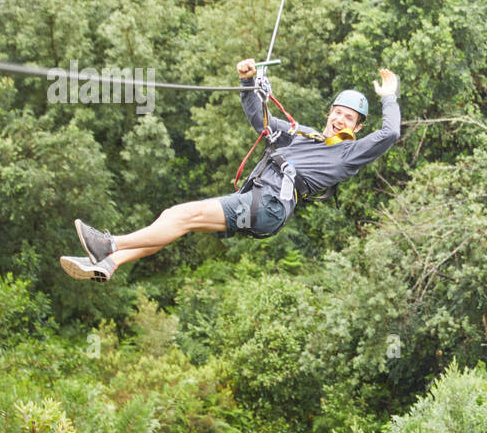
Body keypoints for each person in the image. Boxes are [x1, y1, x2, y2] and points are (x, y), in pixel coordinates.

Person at [60, 60, 400, 281]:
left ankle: (110, 244)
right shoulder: (300, 134)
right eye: (337, 112)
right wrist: (247, 82)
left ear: (356, 126)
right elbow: (259, 119)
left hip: (269, 205)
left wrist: (389, 97)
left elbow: (390, 134)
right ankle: (109, 263)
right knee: (177, 223)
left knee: (180, 215)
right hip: (257, 200)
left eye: (348, 117)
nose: (340, 119)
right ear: (329, 114)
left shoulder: (347, 154)